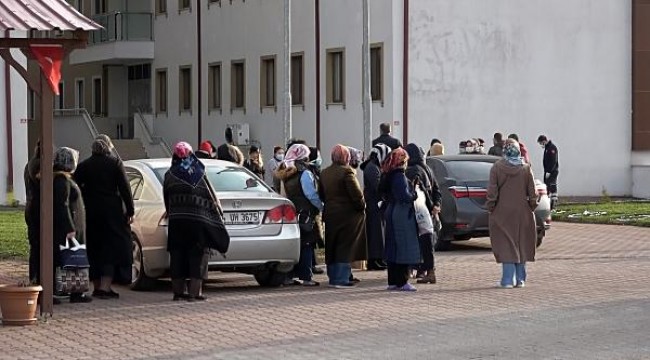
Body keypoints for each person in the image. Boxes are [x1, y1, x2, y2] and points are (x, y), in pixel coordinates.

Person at [164, 142, 226, 301]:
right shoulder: (199, 173)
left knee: (178, 256)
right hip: (198, 222)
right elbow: (210, 197)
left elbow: (167, 200)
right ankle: (194, 293)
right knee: (197, 257)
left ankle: (178, 293)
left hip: (177, 222)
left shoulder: (170, 174)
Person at [74, 137, 135, 299]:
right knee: (111, 248)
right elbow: (125, 188)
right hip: (112, 212)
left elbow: (75, 186)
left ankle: (96, 286)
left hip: (91, 212)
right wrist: (130, 211)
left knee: (94, 248)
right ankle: (106, 287)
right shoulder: (115, 163)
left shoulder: (84, 166)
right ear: (109, 148)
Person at [486, 139, 538, 288]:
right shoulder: (526, 169)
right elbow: (532, 193)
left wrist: (491, 206)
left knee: (505, 243)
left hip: (502, 211)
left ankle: (508, 280)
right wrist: (532, 206)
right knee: (521, 243)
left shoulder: (497, 168)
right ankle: (520, 279)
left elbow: (492, 191)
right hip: (522, 211)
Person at [274, 144, 323, 286]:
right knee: (307, 244)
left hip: (291, 212)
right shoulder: (305, 174)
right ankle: (306, 276)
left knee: (294, 245)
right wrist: (321, 206)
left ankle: (289, 276)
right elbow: (311, 195)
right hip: (306, 213)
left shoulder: (285, 173)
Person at [320, 145, 367, 288]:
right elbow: (357, 195)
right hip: (347, 215)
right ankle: (341, 278)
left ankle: (333, 277)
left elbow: (321, 194)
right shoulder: (347, 172)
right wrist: (362, 206)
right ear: (346, 157)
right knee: (345, 247)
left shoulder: (324, 173)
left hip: (330, 214)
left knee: (332, 245)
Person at [53, 147, 92, 303]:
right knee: (69, 260)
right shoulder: (61, 181)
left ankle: (77, 291)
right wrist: (69, 227)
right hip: (70, 228)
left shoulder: (64, 179)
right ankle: (68, 290)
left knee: (75, 260)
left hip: (75, 226)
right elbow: (62, 205)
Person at [380, 148, 421, 291]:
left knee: (392, 246)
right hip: (401, 213)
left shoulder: (388, 174)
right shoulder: (399, 176)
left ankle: (393, 281)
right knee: (403, 245)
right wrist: (414, 194)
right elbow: (404, 196)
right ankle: (402, 281)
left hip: (391, 210)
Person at [404, 144, 441, 284]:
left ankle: (419, 269)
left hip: (418, 210)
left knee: (417, 242)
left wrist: (431, 205)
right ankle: (427, 270)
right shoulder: (428, 169)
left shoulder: (412, 170)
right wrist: (436, 205)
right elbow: (437, 190)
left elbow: (419, 191)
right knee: (427, 242)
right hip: (428, 212)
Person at [360, 143, 391, 271]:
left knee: (378, 233)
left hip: (375, 203)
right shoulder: (372, 168)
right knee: (375, 233)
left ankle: (378, 259)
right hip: (373, 204)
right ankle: (374, 260)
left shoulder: (373, 166)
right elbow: (377, 186)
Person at [24, 141, 41, 284]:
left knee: (34, 245)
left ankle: (34, 277)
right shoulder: (40, 165)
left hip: (30, 207)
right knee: (39, 246)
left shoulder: (29, 164)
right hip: (38, 208)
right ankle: (38, 279)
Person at [307, 146, 325, 275]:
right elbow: (312, 195)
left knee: (315, 238)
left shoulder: (315, 172)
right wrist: (321, 206)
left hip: (314, 211)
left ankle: (313, 264)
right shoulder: (308, 173)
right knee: (312, 239)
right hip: (311, 211)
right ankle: (311, 265)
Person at [537, 135, 559, 209]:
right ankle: (549, 204)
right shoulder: (547, 148)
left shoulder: (552, 148)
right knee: (548, 187)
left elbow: (553, 161)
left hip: (552, 171)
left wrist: (549, 171)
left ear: (544, 141)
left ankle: (553, 204)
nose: (541, 145)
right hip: (548, 171)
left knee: (552, 186)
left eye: (541, 143)